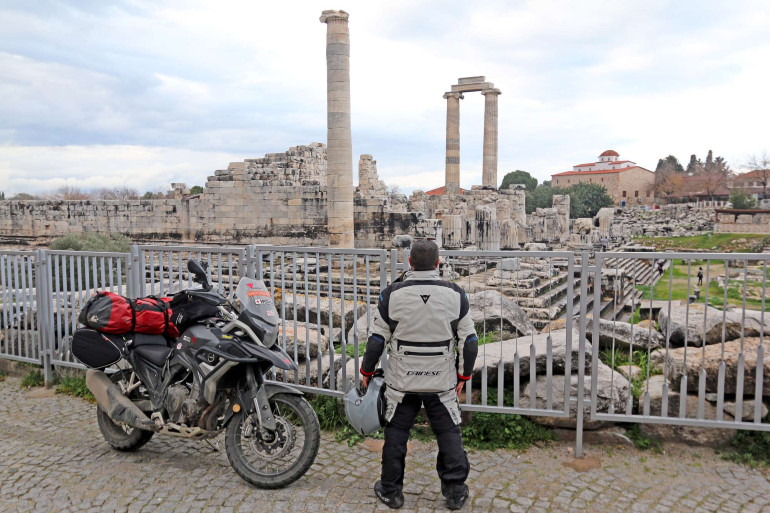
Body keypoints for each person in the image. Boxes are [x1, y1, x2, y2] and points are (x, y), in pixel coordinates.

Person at [360, 239, 478, 510]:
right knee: (448, 431)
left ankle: (391, 491)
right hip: (441, 378)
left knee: (397, 432)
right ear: (438, 263)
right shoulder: (455, 294)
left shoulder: (392, 294)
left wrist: (367, 371)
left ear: (410, 263)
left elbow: (376, 340)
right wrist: (463, 376)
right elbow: (470, 342)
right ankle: (455, 492)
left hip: (403, 379)